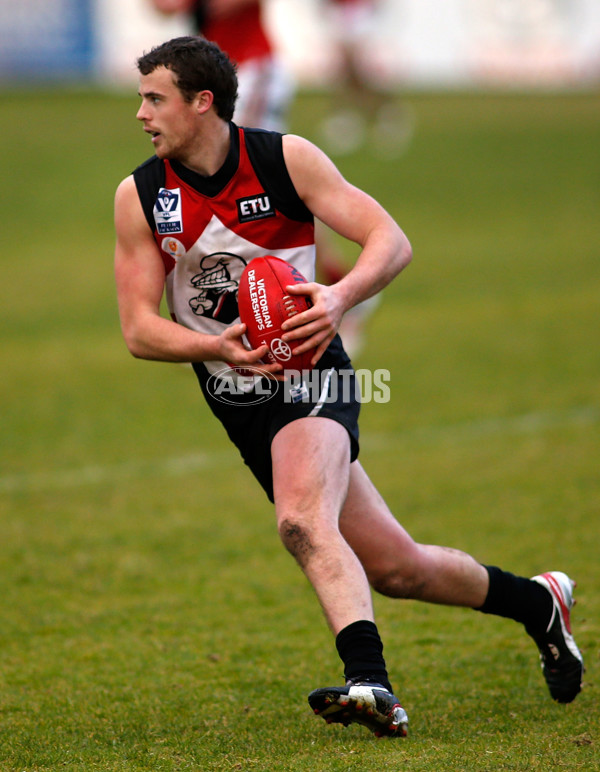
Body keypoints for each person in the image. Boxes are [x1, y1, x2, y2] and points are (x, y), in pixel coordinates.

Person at [114, 36, 584, 737]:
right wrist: (215, 347)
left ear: (201, 102)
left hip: (312, 370)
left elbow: (389, 240)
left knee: (303, 521)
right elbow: (138, 330)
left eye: (155, 98)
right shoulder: (141, 196)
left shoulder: (284, 159)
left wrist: (338, 301)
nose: (142, 114)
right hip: (236, 396)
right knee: (399, 567)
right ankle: (538, 604)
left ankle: (374, 684)